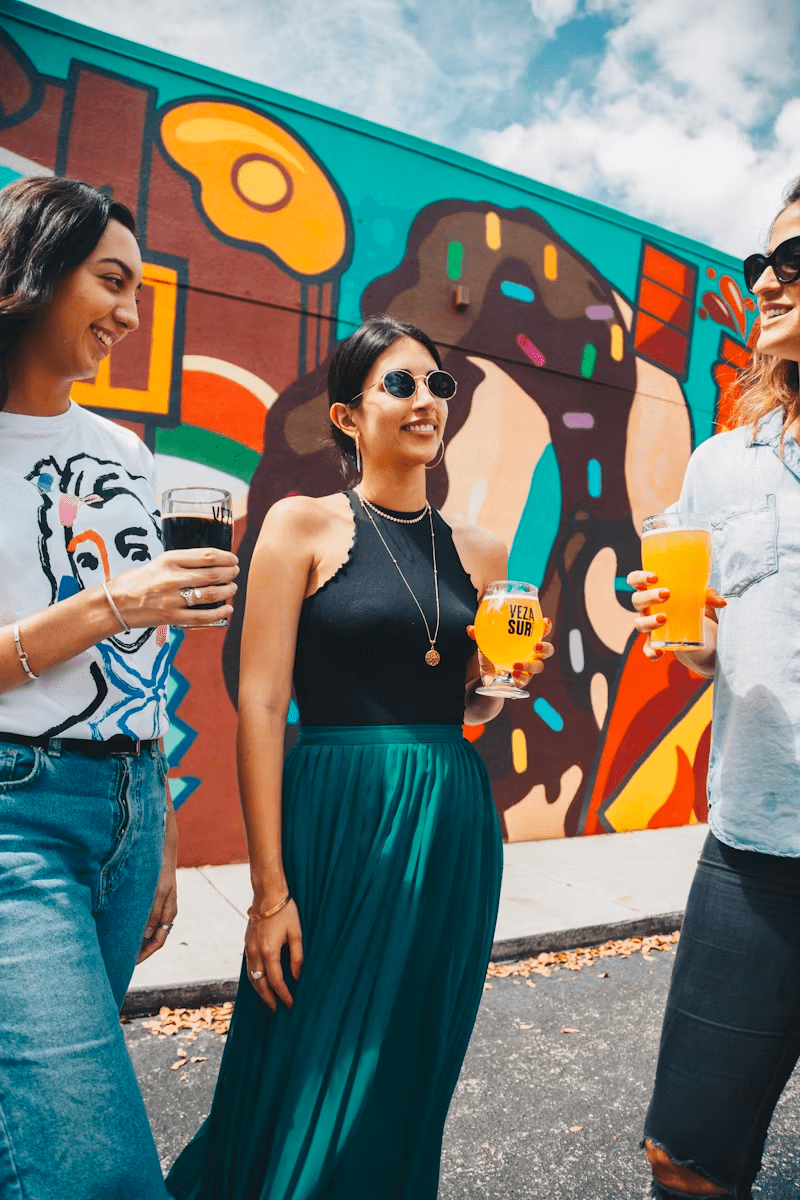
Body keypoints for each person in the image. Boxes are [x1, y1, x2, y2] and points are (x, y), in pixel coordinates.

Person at [166, 313, 554, 1200]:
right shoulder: (299, 524)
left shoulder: (486, 550)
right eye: (401, 384)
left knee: (406, 1063)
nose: (427, 401)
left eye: (438, 385)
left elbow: (473, 704)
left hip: (449, 816)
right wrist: (268, 893)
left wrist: (501, 680)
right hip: (335, 813)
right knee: (307, 1050)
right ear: (347, 415)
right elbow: (261, 703)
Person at [0, 176, 239, 1199]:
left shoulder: (125, 455)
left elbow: (135, 676)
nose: (130, 315)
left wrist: (162, 826)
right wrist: (112, 601)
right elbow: (113, 617)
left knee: (30, 1138)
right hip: (15, 817)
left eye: (139, 289)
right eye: (110, 281)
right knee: (95, 1171)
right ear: (34, 269)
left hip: (125, 810)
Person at [628, 177, 800, 1199]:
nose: (767, 281)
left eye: (797, 260)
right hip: (751, 856)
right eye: (761, 263)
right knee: (684, 1159)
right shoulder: (717, 465)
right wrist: (679, 634)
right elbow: (706, 652)